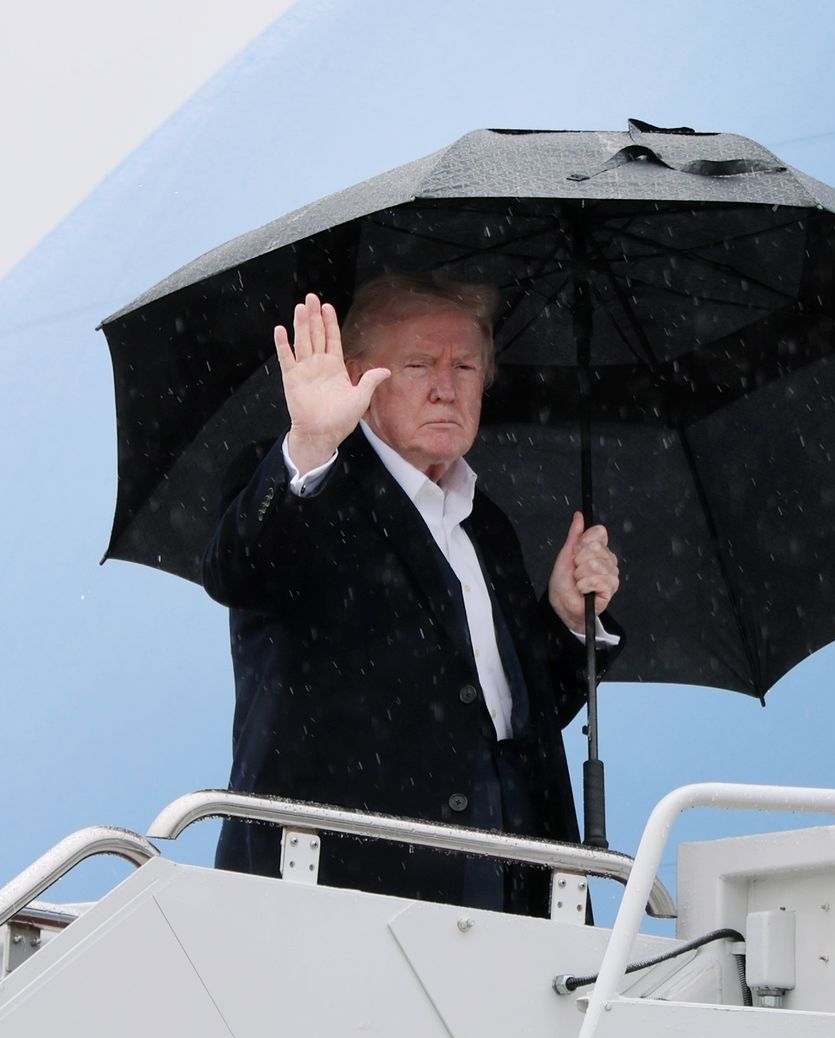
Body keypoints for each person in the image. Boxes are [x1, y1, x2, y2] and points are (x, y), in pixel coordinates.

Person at [199, 274, 622, 916]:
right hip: (348, 888)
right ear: (358, 378)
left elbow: (506, 715)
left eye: (466, 365)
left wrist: (564, 621)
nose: (446, 387)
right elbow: (236, 572)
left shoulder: (489, 525)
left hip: (522, 881)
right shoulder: (309, 484)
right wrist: (310, 444)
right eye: (419, 363)